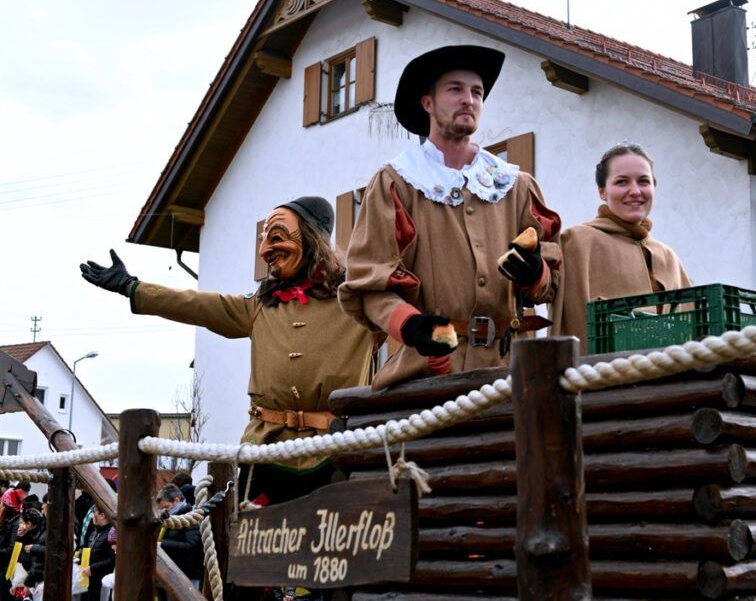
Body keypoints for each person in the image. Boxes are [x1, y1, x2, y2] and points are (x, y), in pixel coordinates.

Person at [81, 196, 375, 504]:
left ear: (312, 239)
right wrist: (132, 287)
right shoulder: (259, 306)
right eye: (263, 240)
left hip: (336, 449)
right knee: (255, 532)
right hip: (266, 453)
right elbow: (196, 305)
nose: (265, 251)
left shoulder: (357, 301)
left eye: (276, 237)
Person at [340, 45, 561, 389]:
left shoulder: (514, 185)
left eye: (477, 92)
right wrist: (411, 325)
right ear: (428, 103)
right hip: (430, 372)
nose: (468, 100)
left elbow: (552, 280)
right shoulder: (396, 183)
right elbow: (369, 286)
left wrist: (536, 273)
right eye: (455, 89)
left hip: (510, 372)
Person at [551, 143, 692, 354]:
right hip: (595, 372)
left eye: (643, 181)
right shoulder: (575, 242)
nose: (635, 191)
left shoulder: (669, 257)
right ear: (602, 191)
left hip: (668, 374)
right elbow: (540, 287)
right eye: (622, 182)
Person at [156, 484, 202, 593]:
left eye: (166, 507)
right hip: (170, 572)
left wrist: (162, 544)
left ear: (176, 500)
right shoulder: (167, 519)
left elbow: (191, 545)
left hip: (188, 574)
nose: (164, 511)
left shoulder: (191, 517)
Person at [80, 509, 115, 601]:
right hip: (88, 581)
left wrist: (93, 568)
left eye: (94, 513)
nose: (92, 516)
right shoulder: (94, 532)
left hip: (102, 583)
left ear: (102, 516)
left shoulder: (111, 535)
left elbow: (113, 559)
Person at [15, 509, 45, 593]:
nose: (19, 526)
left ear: (29, 524)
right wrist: (21, 537)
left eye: (21, 523)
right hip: (29, 578)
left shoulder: (38, 537)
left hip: (35, 581)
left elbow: (33, 562)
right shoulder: (30, 534)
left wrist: (27, 583)